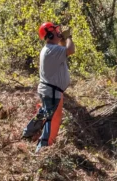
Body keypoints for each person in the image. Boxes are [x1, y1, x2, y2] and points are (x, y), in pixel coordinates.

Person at [22, 22, 75, 153]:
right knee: (49, 120)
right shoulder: (53, 50)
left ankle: (27, 132)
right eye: (56, 31)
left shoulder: (51, 49)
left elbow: (64, 50)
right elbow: (70, 50)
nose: (59, 33)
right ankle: (42, 148)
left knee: (44, 113)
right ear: (50, 34)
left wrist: (63, 39)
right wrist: (69, 37)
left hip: (48, 90)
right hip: (52, 92)